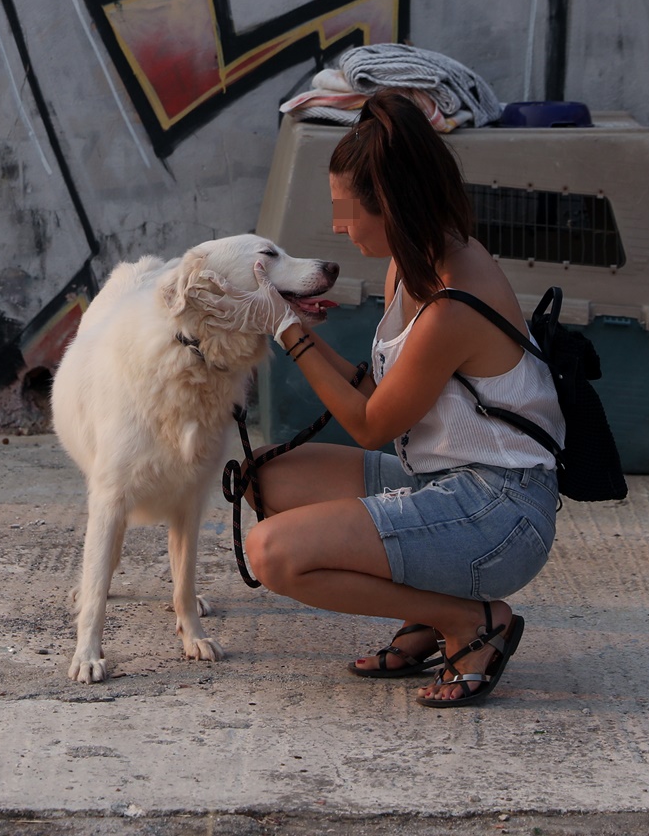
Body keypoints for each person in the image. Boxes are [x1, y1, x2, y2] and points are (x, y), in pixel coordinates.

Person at [218, 89, 563, 707]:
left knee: (272, 555)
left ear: (395, 206)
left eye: (347, 210)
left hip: (498, 515)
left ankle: (471, 622)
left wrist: (286, 329)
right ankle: (435, 615)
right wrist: (294, 317)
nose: (337, 226)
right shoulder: (410, 265)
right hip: (440, 480)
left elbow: (371, 423)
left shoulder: (454, 301)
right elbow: (380, 392)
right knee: (264, 478)